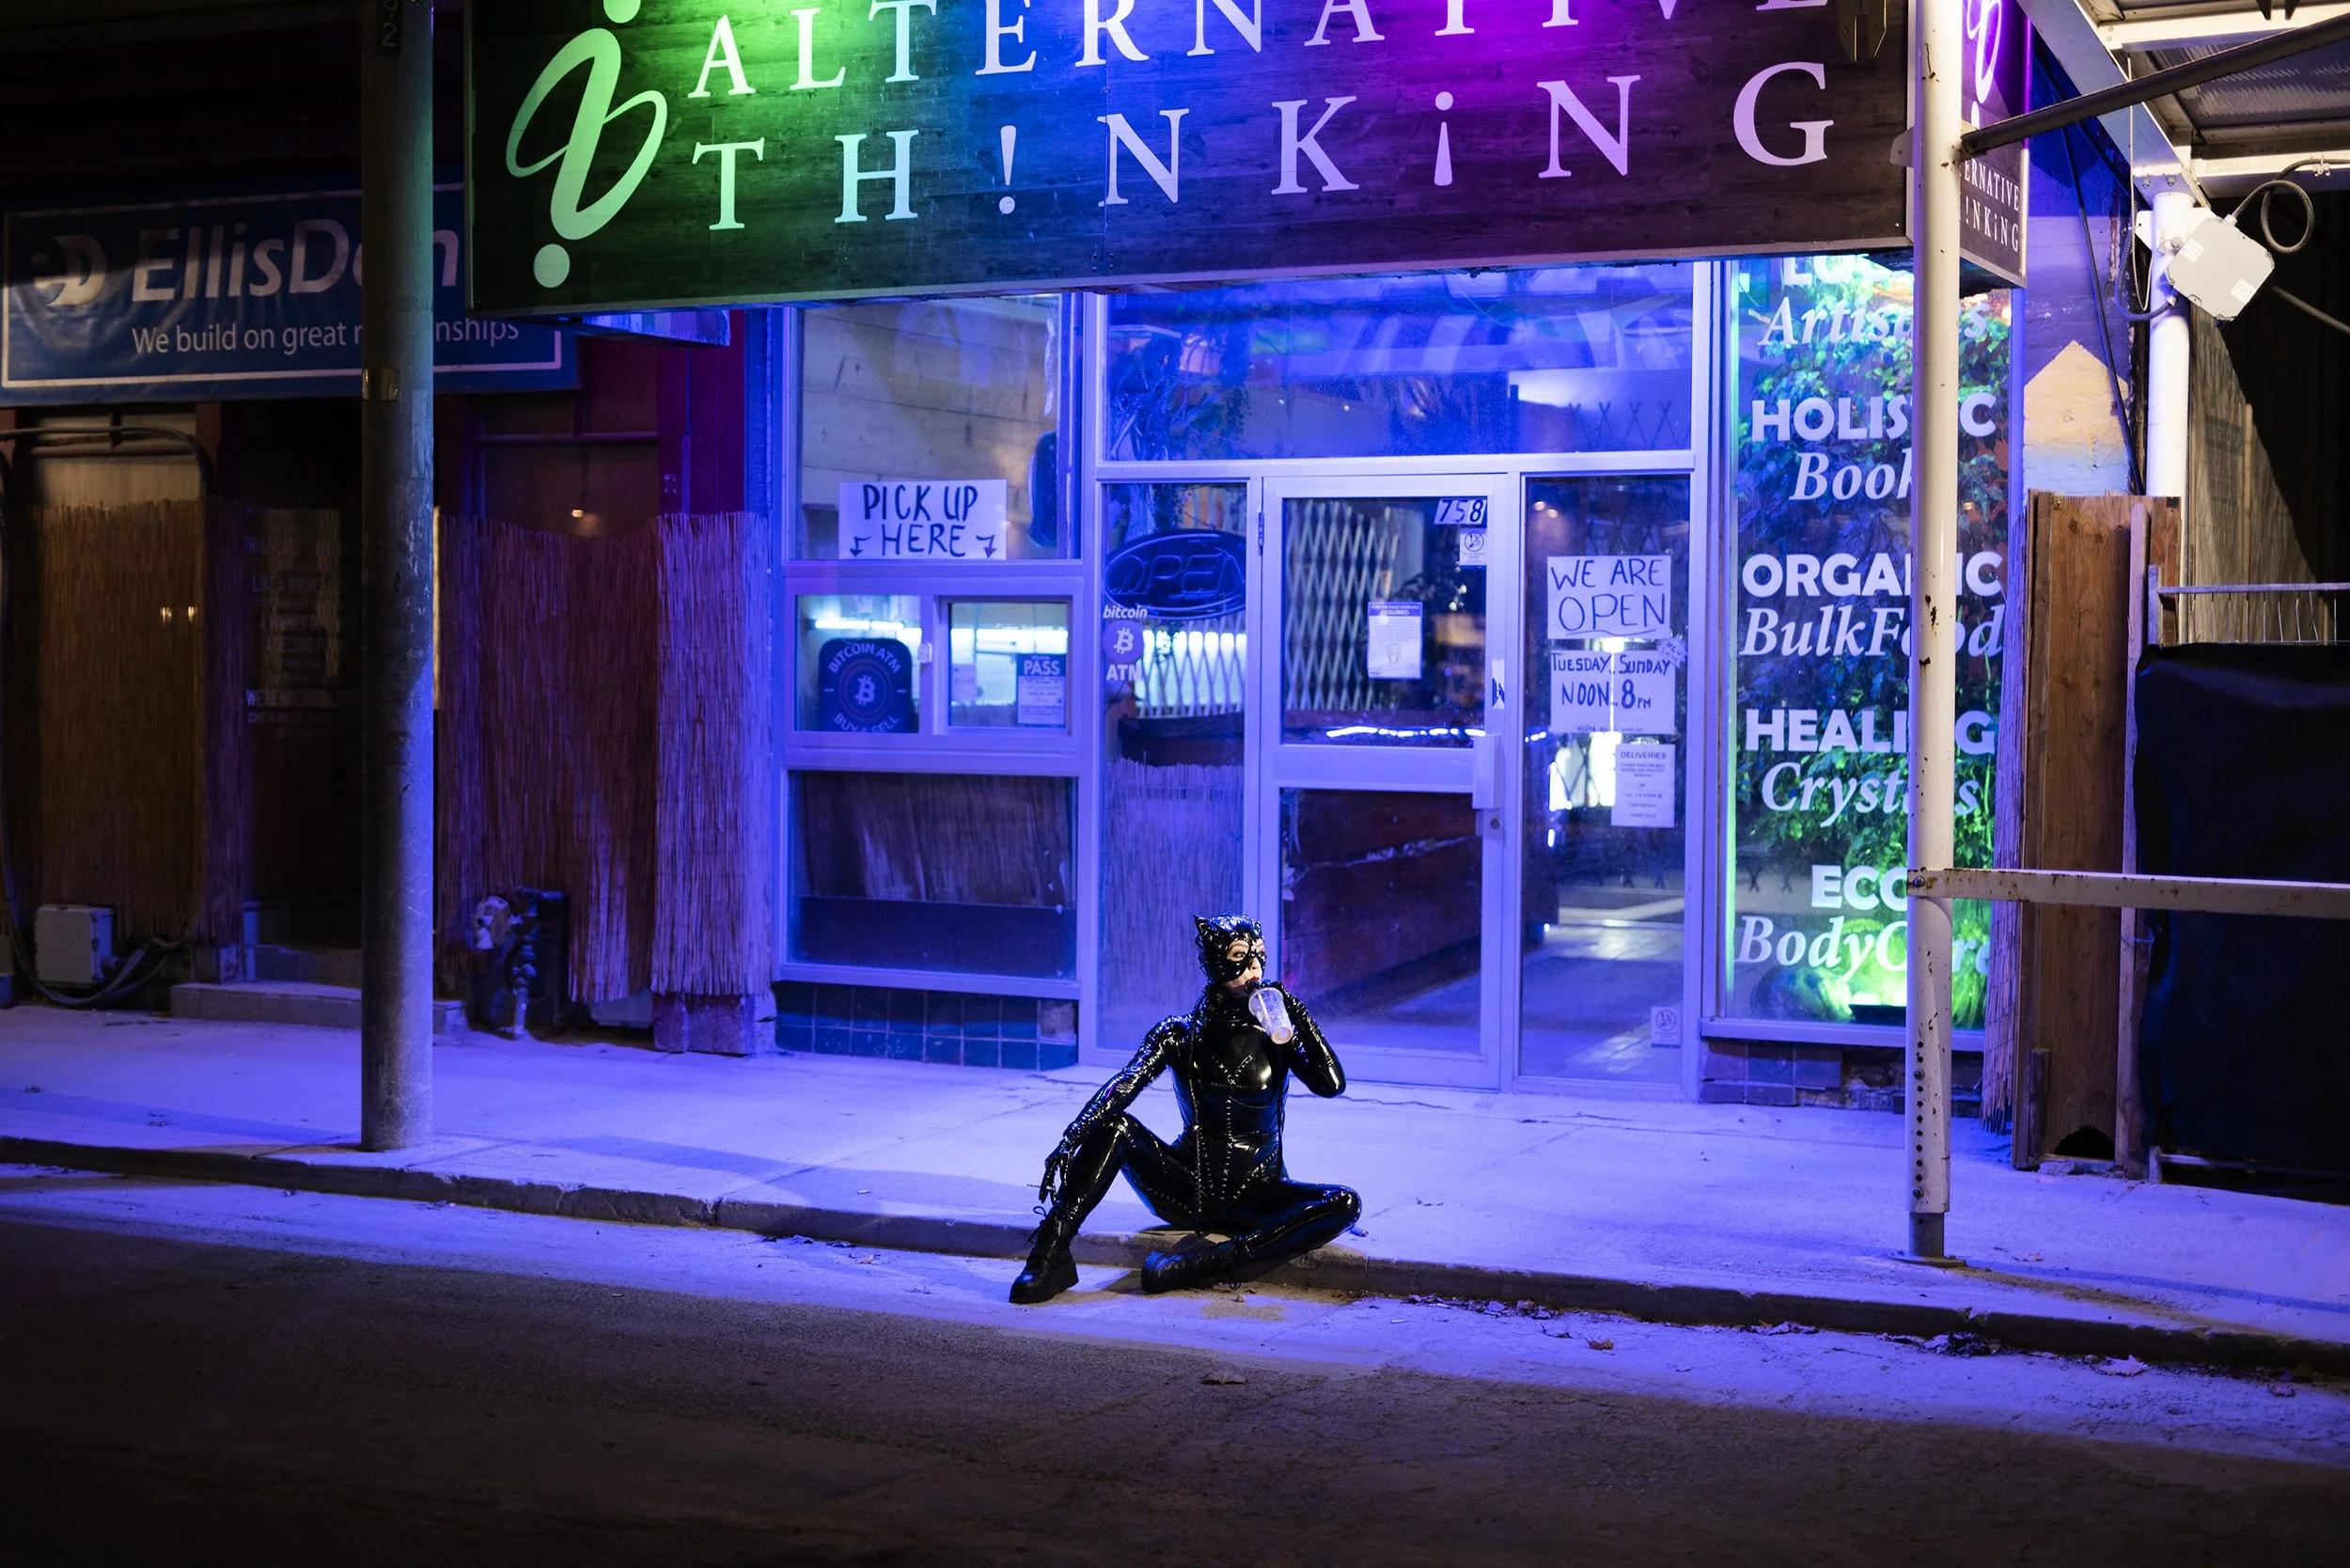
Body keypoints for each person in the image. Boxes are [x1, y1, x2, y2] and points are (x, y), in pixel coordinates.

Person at [1010, 915, 1360, 1304]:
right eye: (1240, 956)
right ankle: (1051, 1251)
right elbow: (1124, 1086)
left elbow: (1332, 1085)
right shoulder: (1179, 1033)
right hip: (1188, 1190)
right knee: (1116, 1127)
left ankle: (1209, 1262)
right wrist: (1071, 1137)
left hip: (1261, 1194)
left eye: (1259, 955)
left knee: (1344, 1203)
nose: (1255, 968)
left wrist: (1296, 1014)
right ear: (1215, 961)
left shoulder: (1276, 1032)